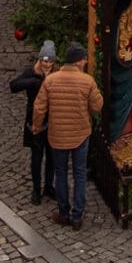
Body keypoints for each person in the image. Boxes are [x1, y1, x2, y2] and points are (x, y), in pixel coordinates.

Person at [31, 42, 102, 230]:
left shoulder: (51, 80)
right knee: (79, 174)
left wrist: (37, 127)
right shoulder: (87, 81)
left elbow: (39, 107)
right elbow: (97, 107)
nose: (86, 62)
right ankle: (77, 216)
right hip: (80, 134)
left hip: (58, 135)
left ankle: (63, 213)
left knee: (60, 173)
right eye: (84, 59)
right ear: (78, 61)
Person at [9, 42, 57, 205]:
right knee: (36, 158)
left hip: (52, 122)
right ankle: (36, 189)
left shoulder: (56, 74)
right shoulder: (32, 73)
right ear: (40, 60)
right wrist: (34, 83)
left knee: (51, 157)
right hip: (35, 122)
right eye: (44, 61)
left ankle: (49, 186)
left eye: (50, 61)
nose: (47, 64)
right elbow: (13, 86)